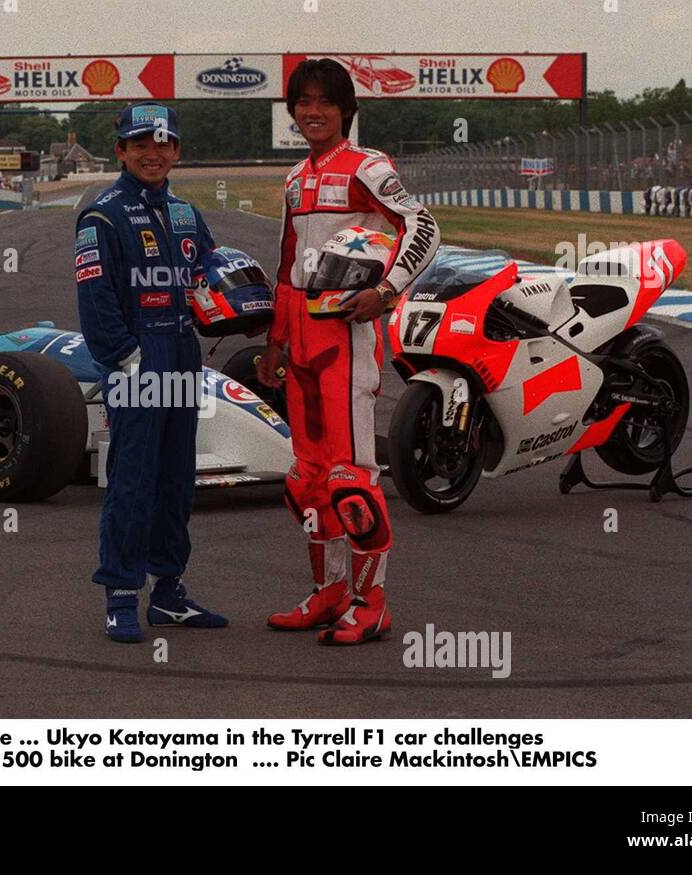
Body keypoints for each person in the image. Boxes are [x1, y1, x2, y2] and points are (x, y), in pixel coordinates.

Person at [257, 58, 441, 646]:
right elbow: (287, 269)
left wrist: (385, 292)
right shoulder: (292, 179)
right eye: (302, 103)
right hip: (303, 344)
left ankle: (372, 603)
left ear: (345, 110)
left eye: (324, 103)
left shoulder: (369, 167)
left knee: (350, 478)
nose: (312, 112)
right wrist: (275, 343)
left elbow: (425, 229)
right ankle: (330, 591)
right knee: (306, 479)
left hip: (349, 338)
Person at [75, 102, 228, 643]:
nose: (153, 152)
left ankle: (168, 594)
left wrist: (239, 299)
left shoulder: (187, 214)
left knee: (177, 479)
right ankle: (120, 593)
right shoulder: (103, 214)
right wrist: (126, 358)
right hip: (137, 363)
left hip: (183, 356)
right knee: (133, 479)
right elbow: (95, 301)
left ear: (178, 150)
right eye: (140, 143)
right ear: (120, 150)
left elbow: (211, 276)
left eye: (163, 143)